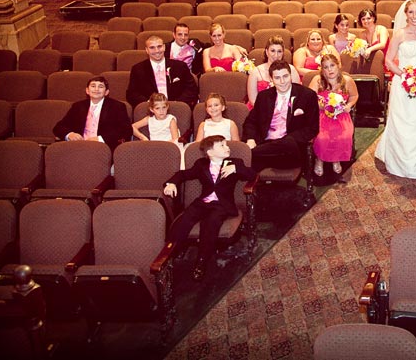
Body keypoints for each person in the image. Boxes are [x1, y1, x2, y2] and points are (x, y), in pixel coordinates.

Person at [163, 135, 257, 281]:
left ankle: (201, 261)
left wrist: (236, 168)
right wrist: (171, 183)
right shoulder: (201, 164)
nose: (227, 148)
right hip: (202, 202)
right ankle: (171, 255)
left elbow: (253, 175)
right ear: (210, 152)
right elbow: (183, 174)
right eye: (222, 146)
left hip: (221, 205)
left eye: (226, 145)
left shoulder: (235, 162)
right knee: (183, 222)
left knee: (210, 224)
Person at [375, 0, 416, 180]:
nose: (414, 16)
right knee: (403, 120)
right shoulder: (399, 35)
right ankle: (400, 162)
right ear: (405, 14)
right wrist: (405, 76)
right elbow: (388, 60)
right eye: (410, 12)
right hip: (403, 82)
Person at [243, 60, 320, 171]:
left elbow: (312, 128)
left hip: (291, 150)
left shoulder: (307, 95)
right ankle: (253, 157)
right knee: (244, 168)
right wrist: (250, 139)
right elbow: (251, 122)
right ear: (271, 79)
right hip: (266, 146)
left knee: (288, 143)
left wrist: (289, 140)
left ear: (291, 76)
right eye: (277, 78)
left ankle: (250, 154)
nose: (282, 81)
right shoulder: (264, 96)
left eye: (285, 76)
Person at [308, 54, 358, 179]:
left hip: (341, 115)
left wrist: (349, 106)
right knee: (322, 137)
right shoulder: (317, 80)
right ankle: (319, 159)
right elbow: (308, 98)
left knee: (344, 135)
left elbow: (354, 96)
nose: (329, 70)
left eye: (332, 66)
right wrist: (320, 105)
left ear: (338, 66)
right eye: (326, 67)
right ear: (322, 69)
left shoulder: (347, 80)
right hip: (321, 114)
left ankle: (336, 159)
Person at [53, 75, 131, 150]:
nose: (96, 89)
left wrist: (100, 139)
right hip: (79, 146)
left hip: (104, 147)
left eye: (100, 87)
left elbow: (126, 130)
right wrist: (70, 134)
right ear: (87, 90)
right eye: (93, 86)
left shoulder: (117, 106)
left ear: (106, 92)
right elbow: (58, 127)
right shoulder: (78, 106)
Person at [127, 35, 199, 107]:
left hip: (176, 107)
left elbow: (191, 89)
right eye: (152, 48)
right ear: (147, 50)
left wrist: (177, 103)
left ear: (164, 47)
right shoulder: (138, 69)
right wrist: (149, 103)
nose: (157, 51)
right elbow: (132, 94)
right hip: (150, 109)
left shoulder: (180, 66)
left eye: (159, 46)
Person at [246, 35, 301, 108]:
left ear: (283, 53)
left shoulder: (292, 70)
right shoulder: (255, 72)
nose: (276, 55)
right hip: (260, 110)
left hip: (286, 109)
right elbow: (253, 100)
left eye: (279, 51)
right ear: (266, 52)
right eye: (272, 51)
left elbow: (296, 96)